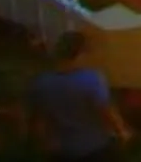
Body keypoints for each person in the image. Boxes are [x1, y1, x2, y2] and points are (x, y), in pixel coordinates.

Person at [27, 30, 131, 159]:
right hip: (94, 148)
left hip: (61, 150)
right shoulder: (92, 79)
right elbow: (106, 111)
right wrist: (122, 132)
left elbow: (39, 120)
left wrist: (45, 144)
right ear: (80, 54)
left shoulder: (41, 82)